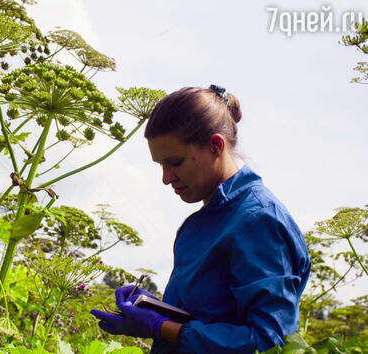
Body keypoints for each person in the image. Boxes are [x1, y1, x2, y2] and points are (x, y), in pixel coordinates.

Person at [90, 85, 311, 353]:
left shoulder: (258, 220)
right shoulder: (207, 219)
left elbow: (269, 341)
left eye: (175, 162)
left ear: (216, 146)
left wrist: (161, 327)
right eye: (160, 165)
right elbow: (210, 317)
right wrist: (153, 311)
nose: (165, 178)